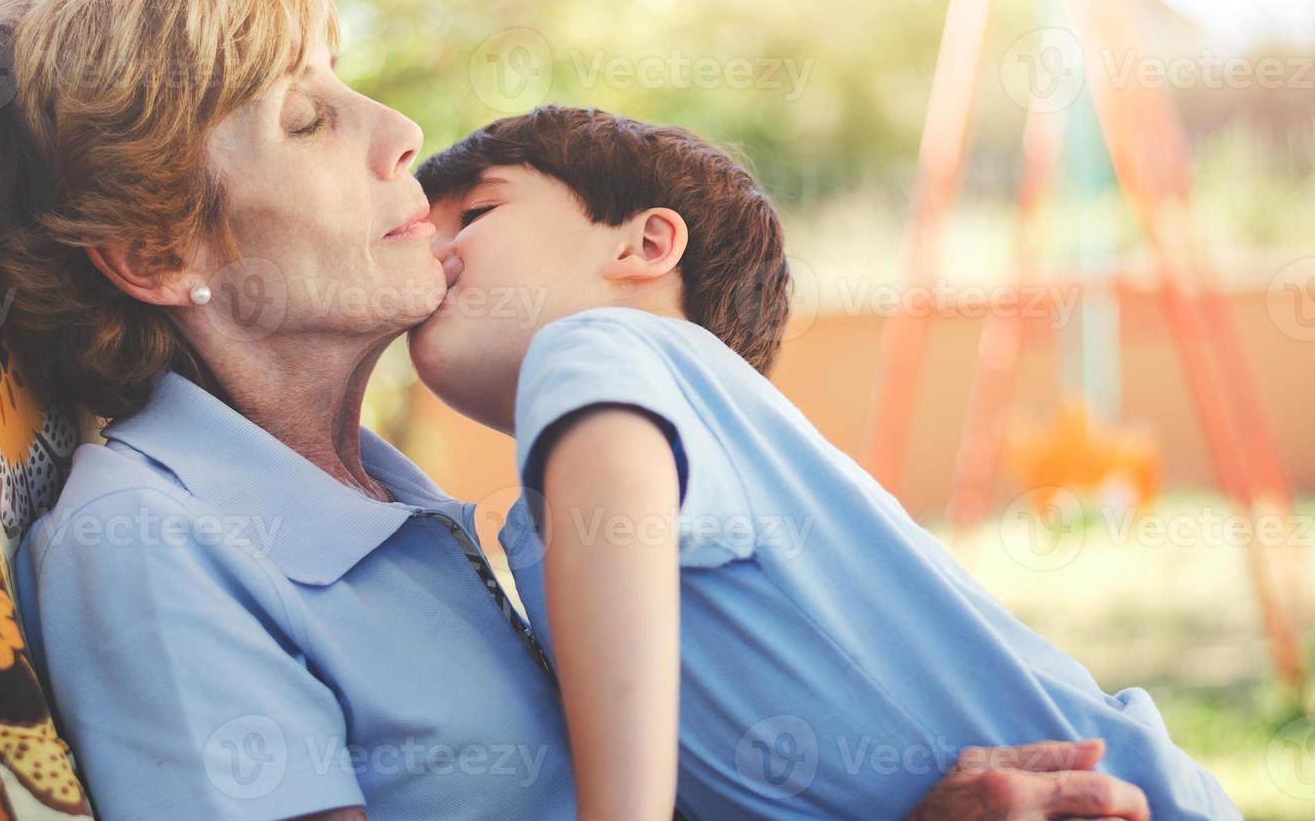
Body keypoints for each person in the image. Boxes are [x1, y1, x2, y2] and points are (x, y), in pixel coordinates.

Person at [0, 0, 1155, 820]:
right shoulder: (149, 543)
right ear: (162, 252)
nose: (400, 134)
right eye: (306, 120)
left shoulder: (400, 506)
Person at [408, 105, 1238, 820]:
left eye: (474, 214)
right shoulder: (580, 476)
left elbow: (617, 495)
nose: (428, 250)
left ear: (646, 244)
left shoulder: (602, 342)